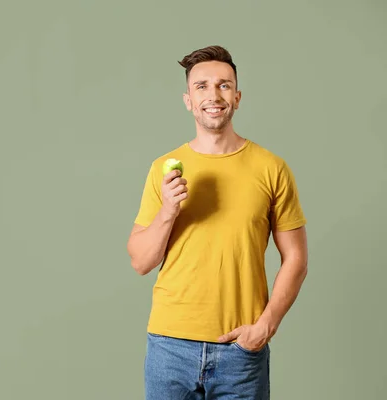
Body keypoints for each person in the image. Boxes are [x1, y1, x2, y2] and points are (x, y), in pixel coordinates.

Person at [127, 45, 308, 400]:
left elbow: (297, 259)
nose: (214, 95)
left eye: (224, 85)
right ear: (188, 100)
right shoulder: (164, 167)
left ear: (237, 97)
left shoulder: (271, 168)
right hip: (169, 347)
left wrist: (265, 328)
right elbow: (141, 262)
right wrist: (167, 211)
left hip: (241, 352)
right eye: (202, 86)